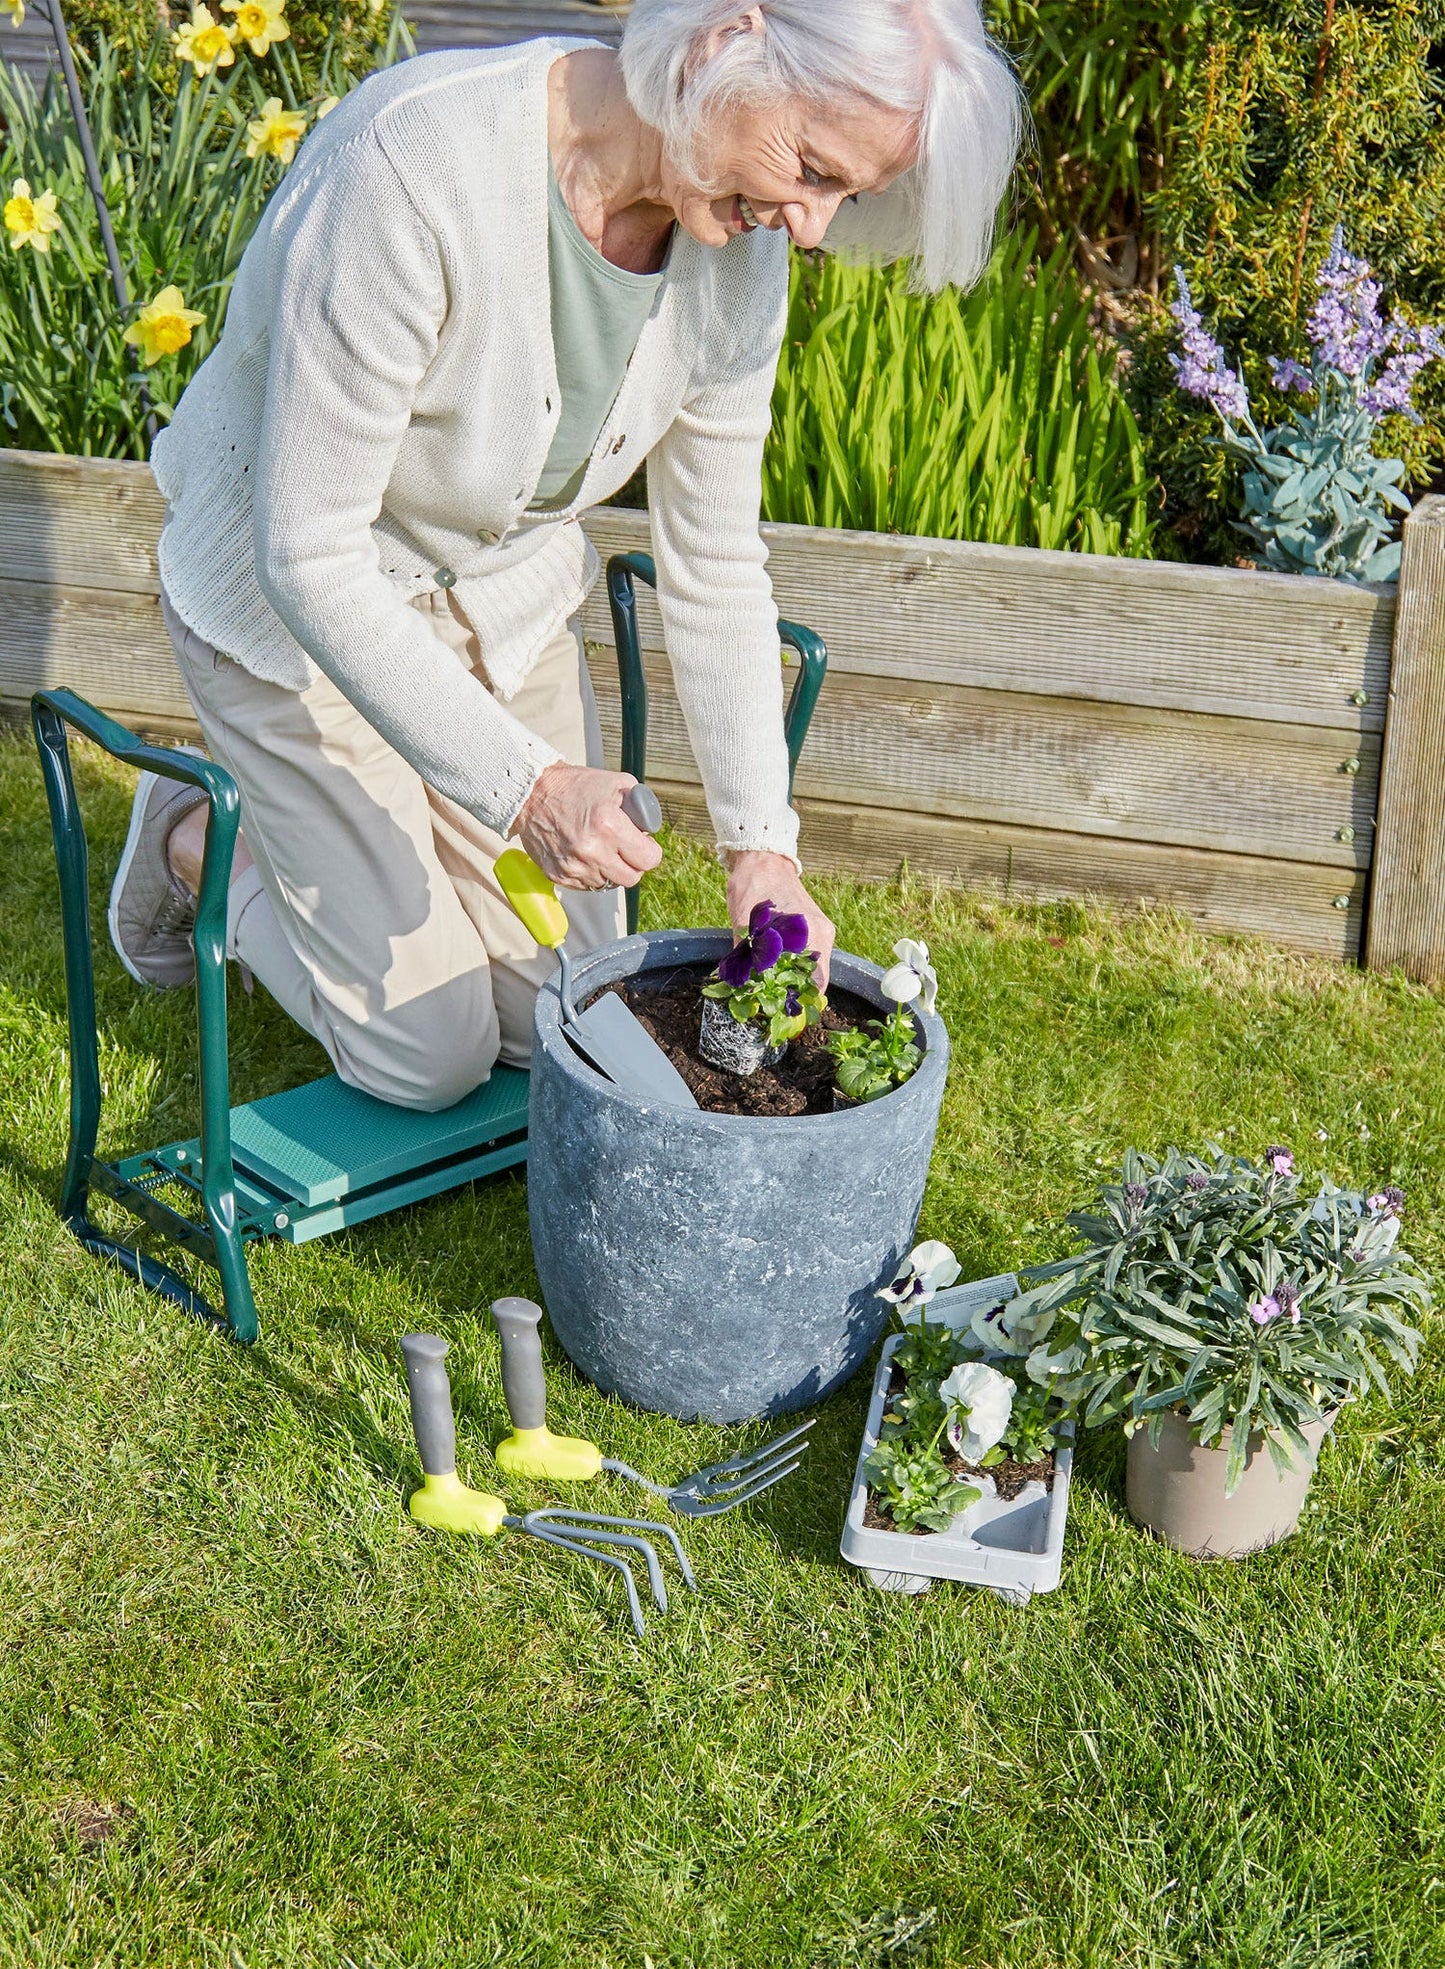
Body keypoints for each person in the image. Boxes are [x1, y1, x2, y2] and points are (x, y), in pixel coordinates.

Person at [109, 0, 1020, 1110]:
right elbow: (308, 556)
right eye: (812, 167)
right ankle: (204, 841)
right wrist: (525, 786)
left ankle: (381, 854)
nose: (814, 224)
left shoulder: (738, 250)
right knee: (427, 1058)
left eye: (843, 195)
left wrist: (759, 848)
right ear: (723, 43)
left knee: (565, 1020)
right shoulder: (415, 169)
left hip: (502, 605)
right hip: (290, 618)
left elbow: (717, 560)